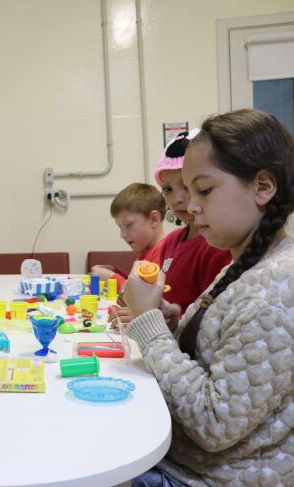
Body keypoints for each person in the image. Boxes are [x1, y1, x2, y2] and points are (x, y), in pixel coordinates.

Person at [123, 109, 294, 486]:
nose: (189, 206)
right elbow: (214, 357)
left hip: (207, 476)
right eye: (182, 191)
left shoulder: (276, 291)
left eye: (204, 190)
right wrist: (170, 321)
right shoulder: (244, 264)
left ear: (263, 186)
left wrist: (148, 326)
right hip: (186, 460)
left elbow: (213, 423)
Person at [153, 129, 231, 324]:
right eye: (168, 189)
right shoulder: (171, 241)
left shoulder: (216, 246)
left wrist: (173, 321)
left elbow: (209, 321)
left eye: (187, 186)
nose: (176, 199)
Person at [91, 182, 167, 287]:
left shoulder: (164, 253)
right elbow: (139, 286)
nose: (122, 235)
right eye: (120, 227)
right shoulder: (147, 251)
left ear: (154, 219)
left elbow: (146, 298)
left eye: (128, 225)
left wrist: (112, 278)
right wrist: (116, 273)